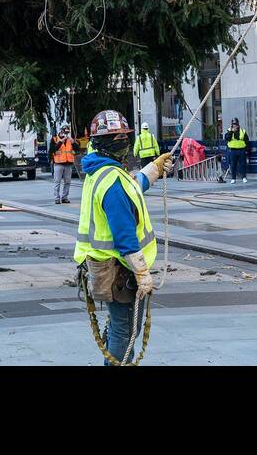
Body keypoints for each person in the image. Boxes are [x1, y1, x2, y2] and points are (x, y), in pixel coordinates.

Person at [74, 110, 174, 365]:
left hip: (107, 266)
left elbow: (133, 185)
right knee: (124, 330)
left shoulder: (102, 170)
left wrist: (154, 168)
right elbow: (124, 234)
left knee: (121, 327)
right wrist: (141, 272)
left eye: (124, 135)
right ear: (102, 141)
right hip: (121, 270)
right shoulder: (111, 180)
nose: (122, 141)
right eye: (116, 137)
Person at [49, 123, 75, 204]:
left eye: (67, 132)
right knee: (57, 182)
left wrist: (73, 142)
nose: (66, 134)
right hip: (58, 163)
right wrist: (60, 142)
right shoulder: (54, 139)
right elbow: (52, 150)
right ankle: (57, 198)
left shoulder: (70, 140)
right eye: (65, 132)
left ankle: (65, 197)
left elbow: (77, 148)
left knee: (67, 182)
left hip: (68, 163)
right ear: (61, 131)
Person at [224, 118, 249, 183]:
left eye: (235, 124)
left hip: (241, 150)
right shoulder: (229, 130)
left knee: (242, 164)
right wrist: (231, 131)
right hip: (233, 150)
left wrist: (247, 150)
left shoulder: (242, 131)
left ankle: (243, 177)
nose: (234, 126)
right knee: (233, 165)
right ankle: (233, 178)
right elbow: (227, 139)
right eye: (233, 124)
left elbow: (247, 141)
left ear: (238, 125)